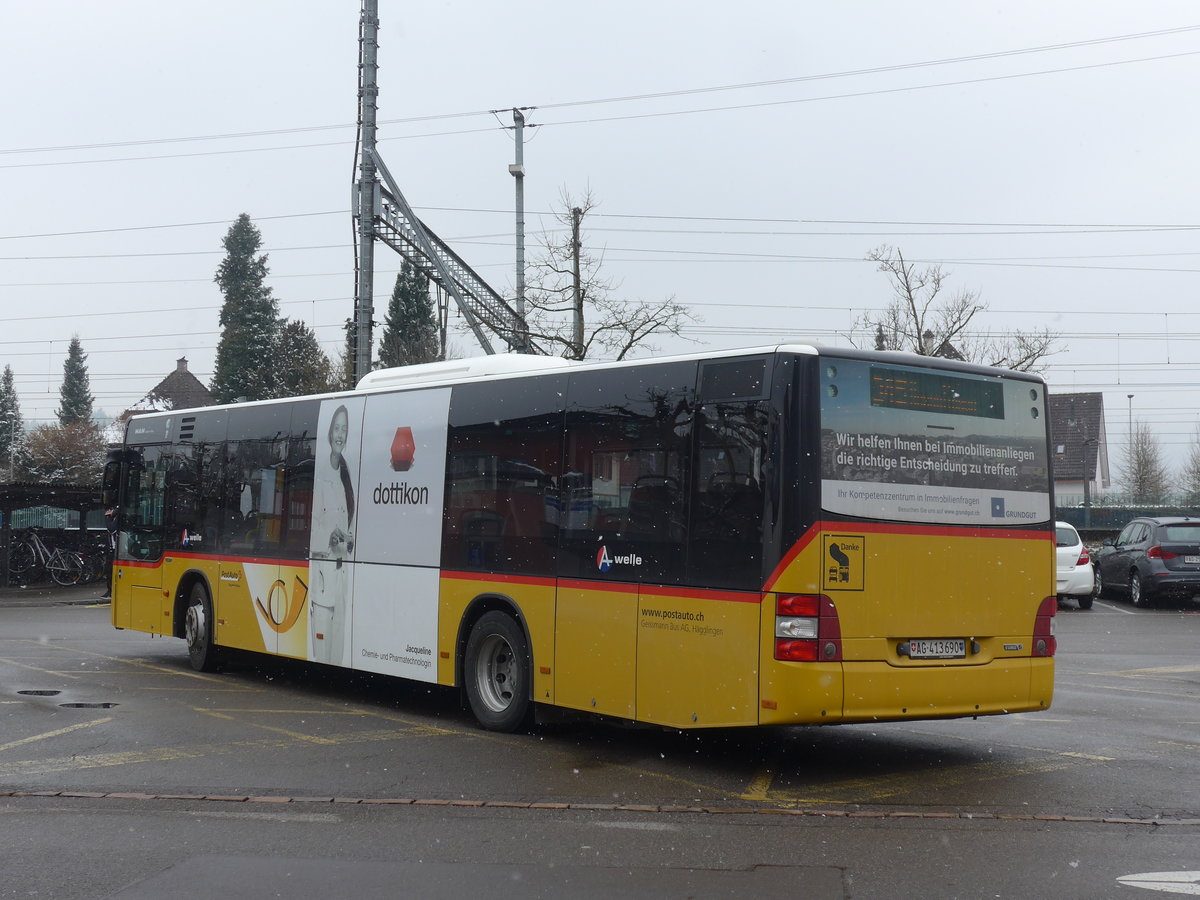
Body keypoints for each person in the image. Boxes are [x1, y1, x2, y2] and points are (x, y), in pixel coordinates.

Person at [310, 404, 355, 664]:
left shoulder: (346, 475)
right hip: (324, 572)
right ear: (329, 433)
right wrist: (330, 534)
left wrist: (350, 538)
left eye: (344, 430)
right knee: (323, 649)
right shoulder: (319, 472)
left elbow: (350, 522)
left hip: (342, 575)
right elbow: (309, 530)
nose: (340, 434)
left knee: (338, 651)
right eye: (337, 428)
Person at [101, 506, 118, 600]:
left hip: (116, 550)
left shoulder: (117, 518)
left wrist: (108, 518)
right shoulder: (114, 518)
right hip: (112, 549)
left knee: (111, 571)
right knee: (109, 571)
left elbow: (112, 529)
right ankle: (110, 590)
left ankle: (111, 591)